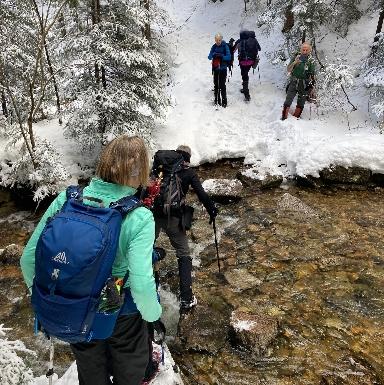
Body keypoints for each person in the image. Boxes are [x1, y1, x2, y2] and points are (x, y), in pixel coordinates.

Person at [20, 135, 162, 385]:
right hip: (122, 312)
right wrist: (153, 315)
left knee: (91, 373)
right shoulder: (139, 216)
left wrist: (47, 297)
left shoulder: (68, 199)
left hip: (76, 307)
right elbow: (140, 282)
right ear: (139, 170)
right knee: (129, 373)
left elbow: (29, 259)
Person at [153, 145, 218, 311]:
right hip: (174, 218)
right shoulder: (188, 173)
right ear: (187, 158)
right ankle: (186, 299)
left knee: (146, 249)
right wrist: (212, 210)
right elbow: (201, 194)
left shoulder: (160, 168)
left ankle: (153, 287)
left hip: (152, 216)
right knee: (183, 253)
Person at [282, 42, 316, 120]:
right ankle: (284, 117)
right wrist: (295, 62)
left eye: (306, 50)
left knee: (301, 101)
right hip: (294, 81)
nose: (304, 51)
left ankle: (296, 117)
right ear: (300, 50)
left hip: (304, 83)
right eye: (303, 49)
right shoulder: (295, 57)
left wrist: (312, 85)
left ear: (309, 51)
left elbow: (312, 74)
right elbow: (288, 69)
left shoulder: (311, 60)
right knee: (289, 98)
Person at [234, 29, 261, 101]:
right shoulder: (254, 40)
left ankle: (247, 95)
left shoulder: (239, 41)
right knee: (246, 74)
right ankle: (244, 88)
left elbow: (233, 50)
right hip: (251, 61)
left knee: (244, 75)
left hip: (243, 62)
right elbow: (259, 49)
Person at [208, 33, 231, 107]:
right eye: (216, 40)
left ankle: (224, 101)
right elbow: (209, 57)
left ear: (221, 40)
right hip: (215, 68)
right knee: (216, 85)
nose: (218, 41)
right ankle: (217, 100)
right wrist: (213, 54)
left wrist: (222, 56)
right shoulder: (214, 47)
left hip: (223, 68)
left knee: (222, 85)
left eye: (219, 40)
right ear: (215, 40)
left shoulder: (225, 46)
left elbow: (229, 57)